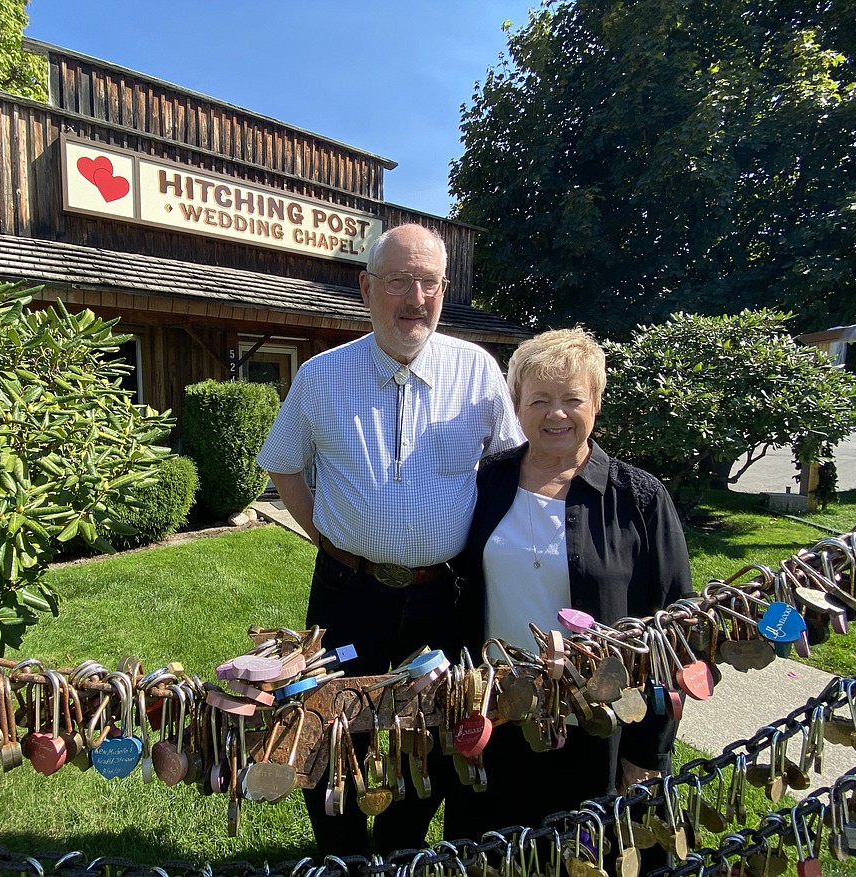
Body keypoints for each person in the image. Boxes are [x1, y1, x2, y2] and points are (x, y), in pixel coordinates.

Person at [256, 223, 524, 857]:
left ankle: (398, 850)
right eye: (399, 280)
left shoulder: (477, 371)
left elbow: (513, 465)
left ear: (443, 289)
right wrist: (327, 538)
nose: (415, 296)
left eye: (428, 282)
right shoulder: (322, 375)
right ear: (367, 286)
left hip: (444, 599)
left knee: (429, 733)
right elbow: (283, 461)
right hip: (348, 593)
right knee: (328, 728)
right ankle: (340, 856)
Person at [443, 327, 693, 842]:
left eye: (571, 399)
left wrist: (648, 752)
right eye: (539, 400)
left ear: (596, 404)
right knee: (495, 854)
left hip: (599, 728)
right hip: (499, 717)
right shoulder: (485, 482)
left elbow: (675, 636)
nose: (556, 414)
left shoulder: (641, 499)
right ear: (516, 408)